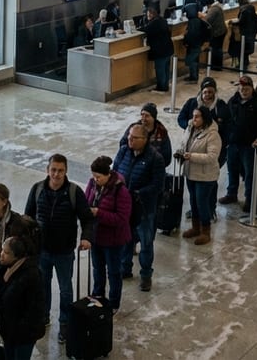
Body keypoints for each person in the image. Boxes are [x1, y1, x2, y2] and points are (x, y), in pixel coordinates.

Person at [24, 154, 95, 336]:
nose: (56, 174)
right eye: (53, 170)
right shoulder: (37, 189)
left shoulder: (73, 192)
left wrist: (86, 237)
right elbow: (28, 218)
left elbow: (87, 219)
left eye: (60, 170)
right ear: (47, 170)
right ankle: (43, 316)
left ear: (66, 171)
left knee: (65, 289)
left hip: (64, 252)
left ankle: (65, 322)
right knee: (43, 286)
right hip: (42, 251)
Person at [112, 128, 163, 293]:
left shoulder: (155, 158)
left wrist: (138, 193)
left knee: (146, 242)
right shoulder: (124, 151)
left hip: (144, 208)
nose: (130, 140)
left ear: (145, 139)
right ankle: (125, 268)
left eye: (134, 138)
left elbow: (158, 185)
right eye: (129, 137)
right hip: (125, 206)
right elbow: (115, 171)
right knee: (126, 239)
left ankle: (146, 275)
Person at [0, 236, 45, 360]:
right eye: (2, 250)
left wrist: (17, 330)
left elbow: (34, 311)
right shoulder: (3, 268)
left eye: (6, 253)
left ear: (17, 256)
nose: (1, 254)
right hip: (8, 331)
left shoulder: (32, 276)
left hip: (23, 335)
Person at [84, 156, 131, 312]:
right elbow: (86, 201)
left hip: (114, 240)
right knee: (97, 269)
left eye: (98, 177)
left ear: (108, 175)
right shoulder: (92, 184)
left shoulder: (120, 191)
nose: (95, 180)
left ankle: (113, 303)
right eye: (93, 176)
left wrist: (99, 213)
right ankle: (98, 296)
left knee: (114, 272)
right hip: (96, 237)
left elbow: (122, 218)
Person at [221, 75, 257, 211]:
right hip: (233, 143)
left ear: (251, 89)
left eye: (246, 88)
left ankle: (249, 199)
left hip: (249, 146)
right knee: (232, 170)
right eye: (241, 87)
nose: (243, 90)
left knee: (250, 174)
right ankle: (231, 194)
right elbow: (225, 118)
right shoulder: (233, 101)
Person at [177, 106, 221, 246]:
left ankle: (205, 231)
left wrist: (191, 156)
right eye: (193, 116)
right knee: (193, 201)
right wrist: (180, 152)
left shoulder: (212, 134)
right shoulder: (190, 129)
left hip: (205, 176)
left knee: (202, 202)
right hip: (191, 173)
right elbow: (185, 144)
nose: (193, 119)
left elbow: (212, 156)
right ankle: (196, 228)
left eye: (197, 117)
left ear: (205, 118)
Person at [141, 7, 175, 92]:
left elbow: (144, 30)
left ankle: (161, 87)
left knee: (160, 70)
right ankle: (165, 86)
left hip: (160, 51)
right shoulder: (162, 20)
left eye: (148, 15)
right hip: (168, 48)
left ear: (152, 14)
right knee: (166, 69)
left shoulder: (154, 23)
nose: (147, 16)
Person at [181, 3, 207, 83]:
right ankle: (194, 76)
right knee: (195, 61)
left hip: (193, 44)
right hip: (198, 43)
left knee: (192, 61)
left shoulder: (192, 22)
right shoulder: (198, 20)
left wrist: (185, 42)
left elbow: (190, 34)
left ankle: (193, 77)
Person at [202, 0, 227, 71]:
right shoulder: (217, 7)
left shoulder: (214, 9)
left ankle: (216, 66)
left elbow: (207, 20)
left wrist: (201, 16)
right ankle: (218, 65)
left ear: (208, 4)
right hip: (221, 31)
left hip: (217, 32)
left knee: (216, 49)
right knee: (218, 49)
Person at [236, 0, 257, 71]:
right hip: (252, 31)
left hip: (245, 32)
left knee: (242, 48)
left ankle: (243, 65)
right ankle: (246, 62)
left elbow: (241, 21)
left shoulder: (243, 10)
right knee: (248, 47)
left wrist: (234, 23)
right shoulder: (252, 9)